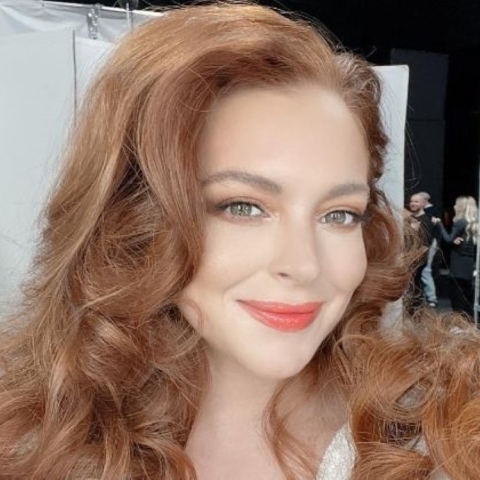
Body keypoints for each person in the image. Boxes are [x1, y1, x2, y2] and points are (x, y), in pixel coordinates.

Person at [0, 3, 479, 479]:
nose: (304, 266)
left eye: (339, 214)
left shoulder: (436, 432)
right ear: (134, 218)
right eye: (243, 207)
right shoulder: (34, 441)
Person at [434, 196, 478, 317]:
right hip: (469, 264)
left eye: (456, 204)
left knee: (456, 295)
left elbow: (448, 239)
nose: (454, 207)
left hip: (458, 264)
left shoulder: (460, 222)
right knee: (467, 295)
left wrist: (439, 224)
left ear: (462, 207)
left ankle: (459, 322)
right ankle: (467, 321)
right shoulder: (473, 224)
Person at [405, 193, 436, 309]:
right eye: (411, 201)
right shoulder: (409, 219)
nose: (412, 204)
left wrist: (414, 231)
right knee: (411, 284)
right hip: (409, 255)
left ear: (423, 204)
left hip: (419, 256)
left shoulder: (426, 220)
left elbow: (426, 241)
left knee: (415, 283)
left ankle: (415, 308)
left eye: (416, 202)